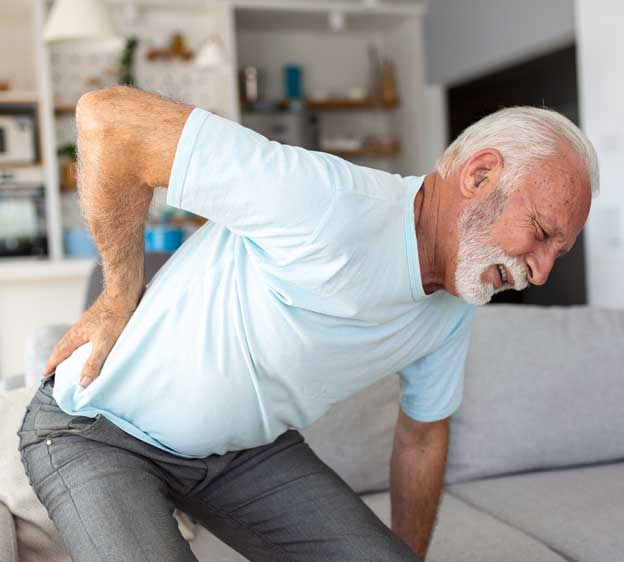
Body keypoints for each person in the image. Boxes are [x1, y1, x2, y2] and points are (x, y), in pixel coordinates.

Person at [18, 86, 597, 562]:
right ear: (479, 176)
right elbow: (107, 119)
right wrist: (118, 293)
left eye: (558, 253)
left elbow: (422, 436)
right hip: (96, 430)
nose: (541, 273)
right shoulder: (325, 201)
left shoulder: (453, 307)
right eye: (542, 233)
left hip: (239, 453)